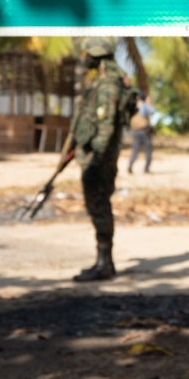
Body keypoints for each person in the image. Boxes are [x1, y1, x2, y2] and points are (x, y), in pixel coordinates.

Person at [59, 36, 135, 281]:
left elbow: (107, 126)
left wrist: (95, 159)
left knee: (99, 206)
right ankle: (103, 261)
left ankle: (105, 264)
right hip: (96, 154)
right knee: (97, 206)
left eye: (87, 54)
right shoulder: (107, 80)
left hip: (100, 157)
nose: (84, 58)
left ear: (96, 56)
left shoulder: (109, 84)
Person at [127, 94, 156, 173]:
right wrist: (148, 103)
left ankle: (130, 165)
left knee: (135, 150)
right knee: (148, 150)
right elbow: (152, 111)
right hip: (144, 131)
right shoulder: (144, 105)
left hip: (135, 131)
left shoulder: (133, 106)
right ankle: (146, 168)